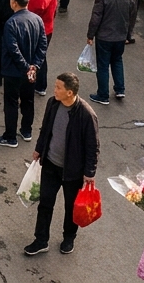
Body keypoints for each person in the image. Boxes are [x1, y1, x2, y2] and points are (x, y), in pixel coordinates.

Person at [26, 73, 99, 256]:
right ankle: (41, 240)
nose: (54, 90)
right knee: (45, 203)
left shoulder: (86, 114)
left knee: (70, 207)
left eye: (58, 88)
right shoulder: (53, 103)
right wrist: (39, 149)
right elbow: (45, 129)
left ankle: (69, 238)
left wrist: (89, 172)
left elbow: (93, 146)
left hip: (72, 171)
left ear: (70, 92)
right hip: (50, 164)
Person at [0, 0, 47, 148]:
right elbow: (42, 45)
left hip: (13, 71)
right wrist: (34, 66)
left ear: (14, 2)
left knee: (11, 103)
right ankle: (26, 130)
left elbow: (13, 49)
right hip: (30, 72)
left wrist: (25, 67)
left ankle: (10, 137)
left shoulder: (12, 23)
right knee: (28, 100)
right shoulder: (37, 20)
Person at [85, 0, 138, 104]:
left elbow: (96, 18)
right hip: (120, 36)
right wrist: (128, 35)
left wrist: (90, 35)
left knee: (103, 65)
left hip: (104, 37)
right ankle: (120, 89)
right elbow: (132, 18)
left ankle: (103, 94)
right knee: (117, 60)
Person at [28, 0, 57, 95]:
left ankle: (36, 83)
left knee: (36, 58)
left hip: (39, 31)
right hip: (48, 28)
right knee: (42, 57)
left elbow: (30, 15)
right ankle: (41, 85)